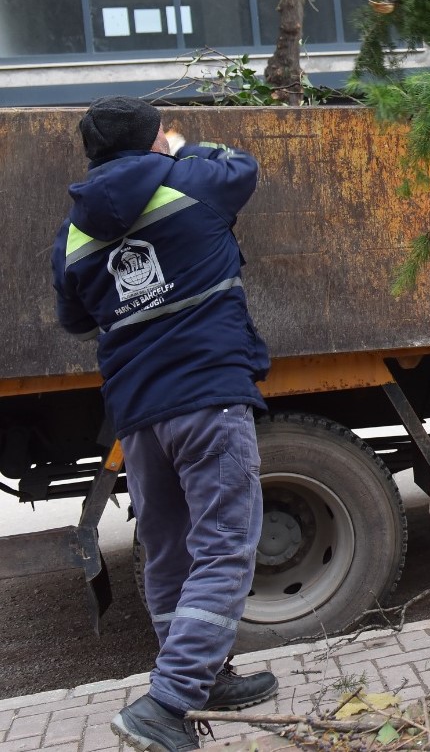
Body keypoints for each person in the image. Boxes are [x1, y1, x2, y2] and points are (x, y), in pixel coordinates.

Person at [51, 97, 276, 752]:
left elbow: (73, 318)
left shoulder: (73, 232)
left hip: (138, 414)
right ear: (154, 140)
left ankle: (204, 679)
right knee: (225, 545)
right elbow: (244, 167)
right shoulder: (192, 180)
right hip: (207, 394)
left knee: (170, 549)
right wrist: (179, 151)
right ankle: (169, 702)